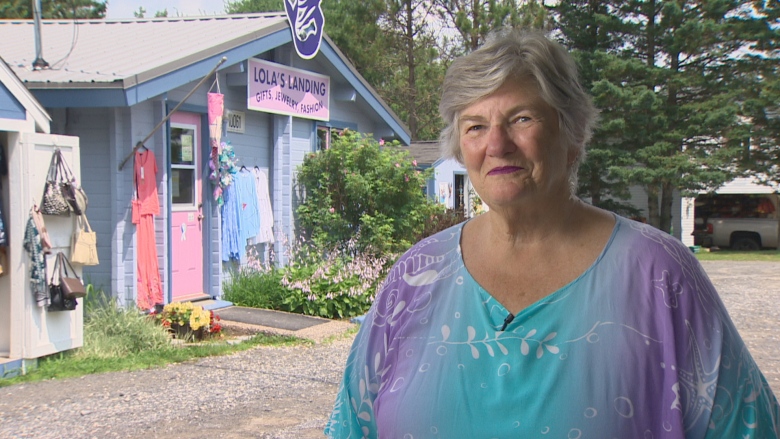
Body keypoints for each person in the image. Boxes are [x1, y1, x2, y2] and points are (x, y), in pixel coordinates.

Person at [325, 29, 780, 438]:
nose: (497, 144)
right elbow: (352, 425)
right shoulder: (416, 275)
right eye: (476, 126)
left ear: (574, 132)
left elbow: (747, 427)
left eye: (522, 118)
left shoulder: (659, 274)